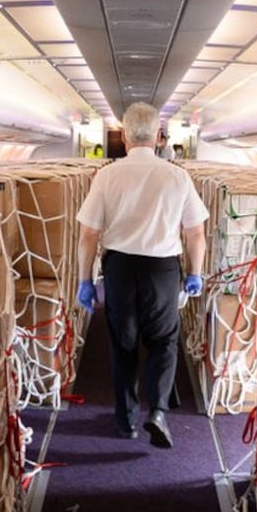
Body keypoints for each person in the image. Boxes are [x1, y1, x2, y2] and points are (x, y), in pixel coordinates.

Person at [76, 102, 208, 448]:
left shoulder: (106, 175)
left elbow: (88, 234)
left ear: (123, 134)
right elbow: (196, 233)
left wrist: (85, 280)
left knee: (123, 345)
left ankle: (126, 422)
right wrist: (195, 273)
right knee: (164, 342)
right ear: (159, 136)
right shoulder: (178, 176)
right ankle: (159, 411)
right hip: (162, 270)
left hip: (120, 268)